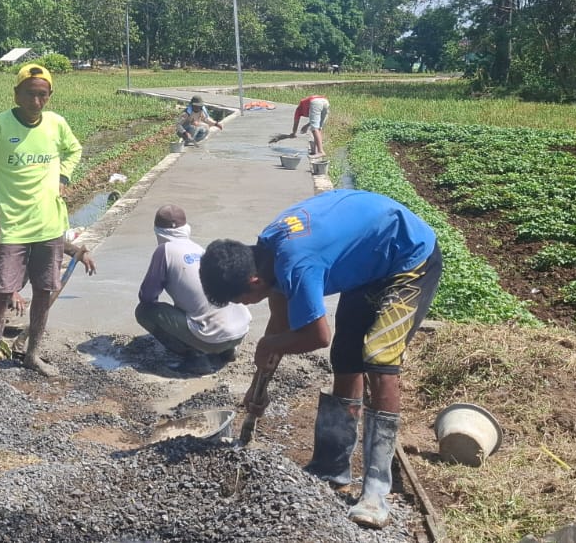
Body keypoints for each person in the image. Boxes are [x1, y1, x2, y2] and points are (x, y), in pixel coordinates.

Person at [198, 189, 443, 530]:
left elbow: (317, 336)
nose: (245, 306)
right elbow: (281, 322)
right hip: (370, 259)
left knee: (379, 357)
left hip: (408, 257)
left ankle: (375, 493)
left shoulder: (297, 263)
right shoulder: (267, 252)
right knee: (345, 357)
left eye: (241, 300)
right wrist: (258, 387)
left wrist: (269, 344)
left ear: (253, 282)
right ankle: (331, 467)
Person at [0, 62, 83, 377]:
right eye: (30, 94)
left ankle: (33, 354)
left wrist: (64, 176)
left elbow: (74, 150)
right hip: (14, 226)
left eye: (43, 95)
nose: (36, 101)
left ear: (50, 95)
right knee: (3, 292)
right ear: (16, 94)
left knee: (44, 290)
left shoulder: (56, 124)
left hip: (49, 224)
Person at [135, 205, 251, 375]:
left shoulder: (164, 251)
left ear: (158, 231)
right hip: (239, 331)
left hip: (213, 337)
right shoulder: (198, 249)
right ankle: (227, 351)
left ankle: (196, 357)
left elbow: (147, 297)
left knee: (144, 312)